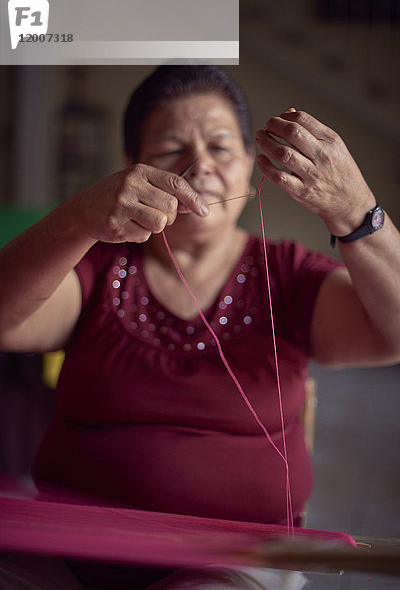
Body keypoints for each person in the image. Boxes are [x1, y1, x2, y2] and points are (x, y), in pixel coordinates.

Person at [0, 65, 399, 589]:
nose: (199, 165)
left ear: (251, 165)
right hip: (70, 552)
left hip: (235, 562)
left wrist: (357, 211)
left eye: (220, 146)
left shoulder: (288, 277)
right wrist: (77, 219)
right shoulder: (97, 270)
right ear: (130, 166)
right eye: (169, 149)